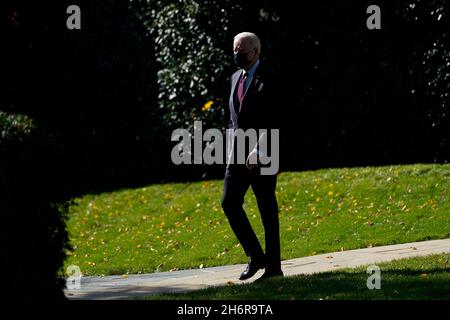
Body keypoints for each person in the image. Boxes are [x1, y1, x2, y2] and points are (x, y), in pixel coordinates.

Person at [221, 32, 283, 281]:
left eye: (242, 51)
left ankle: (274, 268)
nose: (238, 54)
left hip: (264, 153)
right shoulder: (236, 77)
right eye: (235, 49)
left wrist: (259, 149)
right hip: (236, 155)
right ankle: (256, 256)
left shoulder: (270, 78)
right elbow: (233, 118)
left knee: (267, 209)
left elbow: (275, 119)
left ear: (256, 51)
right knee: (229, 202)